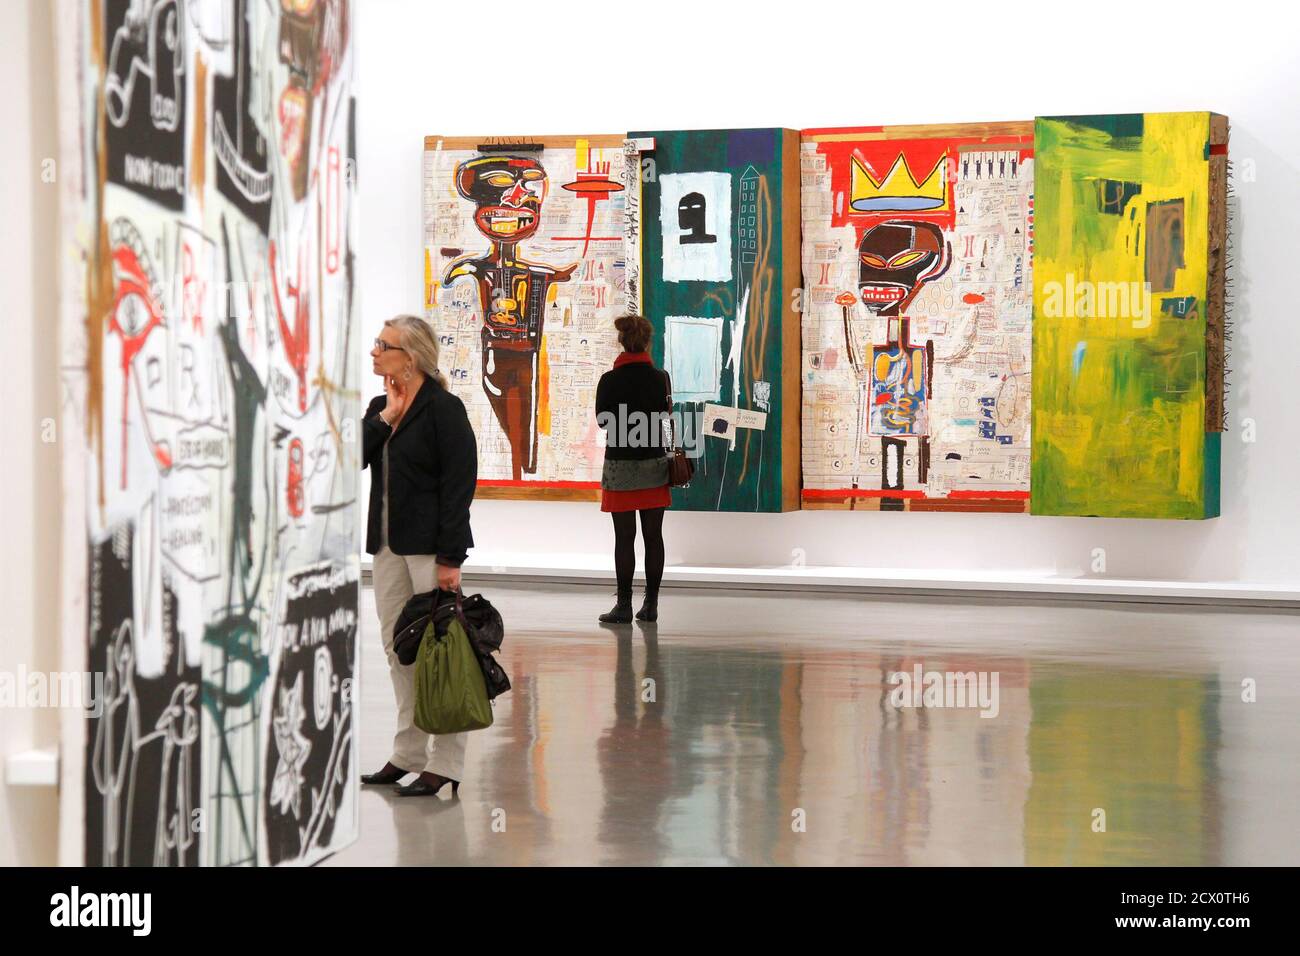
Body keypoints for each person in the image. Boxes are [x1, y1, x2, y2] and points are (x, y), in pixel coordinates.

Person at [360, 314, 477, 797]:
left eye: (382, 345)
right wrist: (385, 417)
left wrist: (451, 557)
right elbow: (353, 455)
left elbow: (458, 487)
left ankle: (446, 762)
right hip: (388, 546)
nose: (373, 352)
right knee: (398, 652)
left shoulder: (444, 409)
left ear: (409, 358)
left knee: (441, 655)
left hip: (431, 550)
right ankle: (407, 754)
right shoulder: (379, 405)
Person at [594, 314, 671, 624]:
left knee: (624, 538)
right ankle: (650, 605)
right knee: (654, 536)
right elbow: (666, 418)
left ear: (621, 342)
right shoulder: (660, 378)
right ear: (647, 343)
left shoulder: (609, 381)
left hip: (620, 466)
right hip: (654, 464)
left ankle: (623, 605)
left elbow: (602, 421)